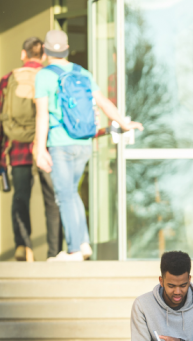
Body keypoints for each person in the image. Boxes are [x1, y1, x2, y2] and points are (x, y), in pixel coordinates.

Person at [33, 30, 143, 261]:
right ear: (66, 49)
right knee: (71, 193)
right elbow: (103, 103)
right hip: (83, 143)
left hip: (60, 143)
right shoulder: (81, 72)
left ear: (45, 50)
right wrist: (123, 121)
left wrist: (39, 148)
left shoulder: (43, 76)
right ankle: (83, 243)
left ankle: (74, 249)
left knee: (64, 195)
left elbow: (42, 115)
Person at [0, 36, 62, 261]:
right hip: (47, 147)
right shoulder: (51, 77)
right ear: (43, 56)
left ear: (23, 54)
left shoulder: (8, 79)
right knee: (53, 200)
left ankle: (23, 246)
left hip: (17, 149)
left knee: (21, 197)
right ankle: (54, 252)